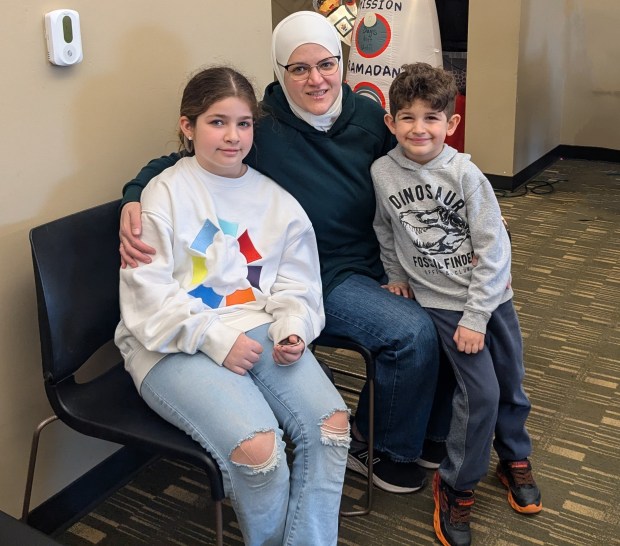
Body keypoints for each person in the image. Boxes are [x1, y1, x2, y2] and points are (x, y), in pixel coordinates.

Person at [119, 11, 441, 494]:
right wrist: (133, 195)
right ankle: (377, 447)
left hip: (375, 260)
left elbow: (420, 167)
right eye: (299, 68)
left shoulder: (371, 120)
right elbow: (181, 159)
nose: (316, 79)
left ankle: (428, 432)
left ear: (342, 63)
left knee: (449, 308)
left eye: (327, 64)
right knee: (411, 331)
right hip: (317, 276)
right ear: (279, 71)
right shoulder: (261, 128)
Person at [115, 65, 350, 546]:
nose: (232, 136)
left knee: (332, 427)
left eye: (243, 123)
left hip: (257, 326)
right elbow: (149, 301)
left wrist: (292, 327)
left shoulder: (276, 200)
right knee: (258, 450)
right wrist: (216, 339)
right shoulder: (162, 196)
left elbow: (297, 281)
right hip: (169, 341)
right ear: (188, 127)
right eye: (217, 122)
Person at [371, 62, 542, 546]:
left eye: (431, 117)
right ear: (391, 123)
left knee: (511, 382)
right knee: (481, 394)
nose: (419, 128)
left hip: (488, 300)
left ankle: (513, 456)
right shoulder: (383, 172)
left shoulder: (467, 176)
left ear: (452, 123)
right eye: (407, 117)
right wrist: (397, 275)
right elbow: (386, 227)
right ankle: (456, 483)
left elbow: (494, 248)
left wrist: (478, 315)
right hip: (441, 305)